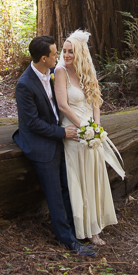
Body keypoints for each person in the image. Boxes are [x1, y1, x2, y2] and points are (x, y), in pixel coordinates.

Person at [13, 35, 96, 257]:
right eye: (54, 54)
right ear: (43, 58)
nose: (58, 56)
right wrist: (62, 132)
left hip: (56, 139)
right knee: (55, 194)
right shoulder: (24, 85)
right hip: (41, 145)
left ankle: (76, 231)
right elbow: (31, 123)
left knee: (67, 187)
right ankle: (68, 241)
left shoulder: (50, 73)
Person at [54, 30, 125, 246]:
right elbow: (63, 105)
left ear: (80, 53)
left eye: (71, 52)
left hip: (91, 132)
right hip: (74, 132)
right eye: (64, 51)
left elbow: (95, 101)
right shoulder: (60, 72)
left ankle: (95, 228)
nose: (66, 55)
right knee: (79, 179)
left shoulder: (88, 73)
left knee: (94, 177)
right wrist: (83, 127)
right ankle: (81, 228)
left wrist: (97, 127)